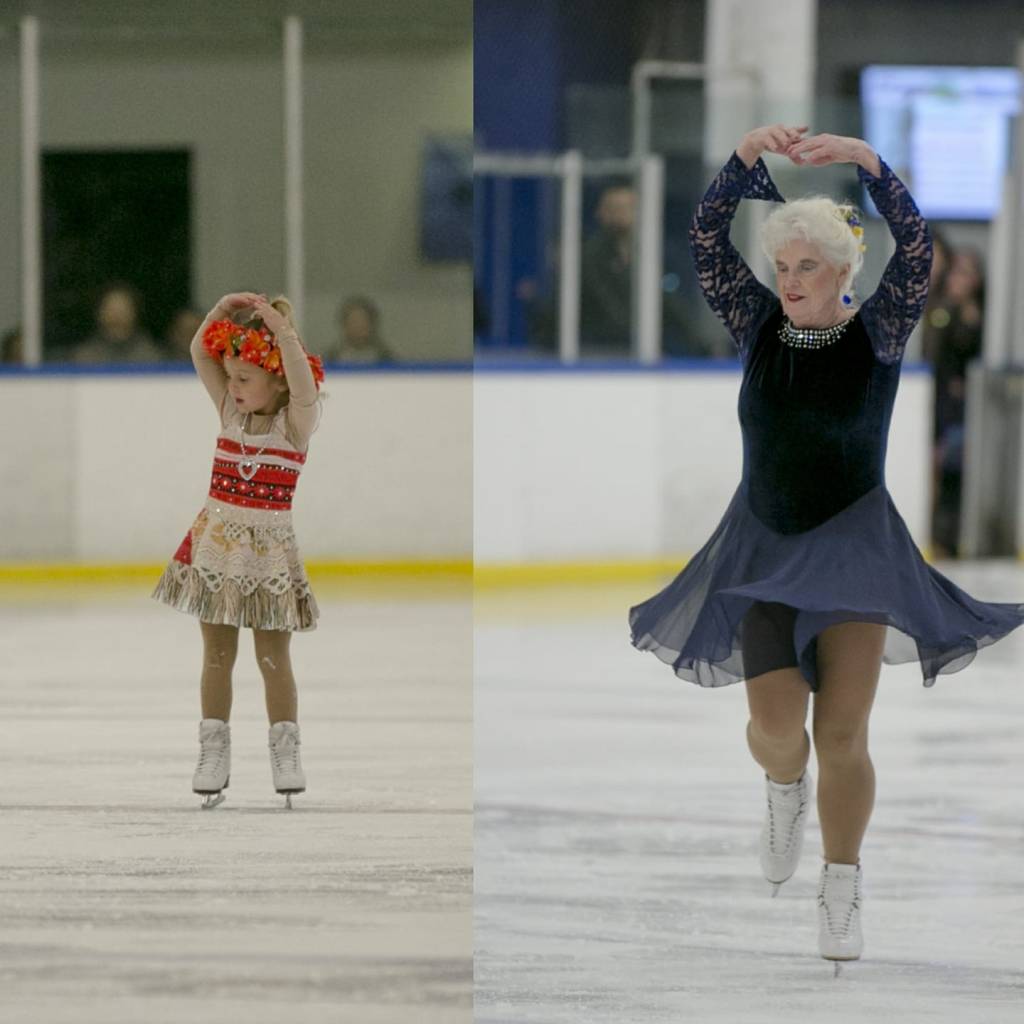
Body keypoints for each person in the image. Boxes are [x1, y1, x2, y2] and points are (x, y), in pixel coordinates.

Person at [628, 125, 1024, 969]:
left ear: (845, 270)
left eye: (807, 265)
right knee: (777, 729)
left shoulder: (881, 332)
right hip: (764, 549)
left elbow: (915, 246)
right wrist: (744, 158)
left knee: (843, 735)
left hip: (854, 552)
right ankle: (784, 789)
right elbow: (705, 236)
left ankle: (841, 885)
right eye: (782, 266)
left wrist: (870, 165)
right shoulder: (757, 326)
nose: (790, 279)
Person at [152, 291, 325, 810]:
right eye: (230, 378)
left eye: (245, 378)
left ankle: (285, 751)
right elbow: (199, 353)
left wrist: (282, 331)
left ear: (278, 379)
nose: (232, 387)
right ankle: (213, 751)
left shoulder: (295, 426)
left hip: (269, 555)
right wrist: (219, 314)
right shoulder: (230, 411)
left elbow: (305, 386)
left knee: (273, 657)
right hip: (217, 549)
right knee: (216, 655)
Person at [926, 247, 985, 557]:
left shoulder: (975, 316)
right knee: (936, 466)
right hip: (936, 402)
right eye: (957, 272)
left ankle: (949, 537)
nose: (958, 280)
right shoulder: (940, 309)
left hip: (961, 409)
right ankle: (935, 536)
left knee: (952, 469)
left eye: (966, 274)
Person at [73, 282, 163, 364]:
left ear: (134, 313)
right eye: (111, 309)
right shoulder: (84, 357)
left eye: (122, 310)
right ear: (99, 314)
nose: (116, 315)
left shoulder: (152, 357)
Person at [325, 295, 395, 364]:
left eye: (362, 322)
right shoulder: (329, 358)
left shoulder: (386, 358)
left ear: (372, 325)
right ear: (344, 325)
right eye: (353, 322)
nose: (358, 327)